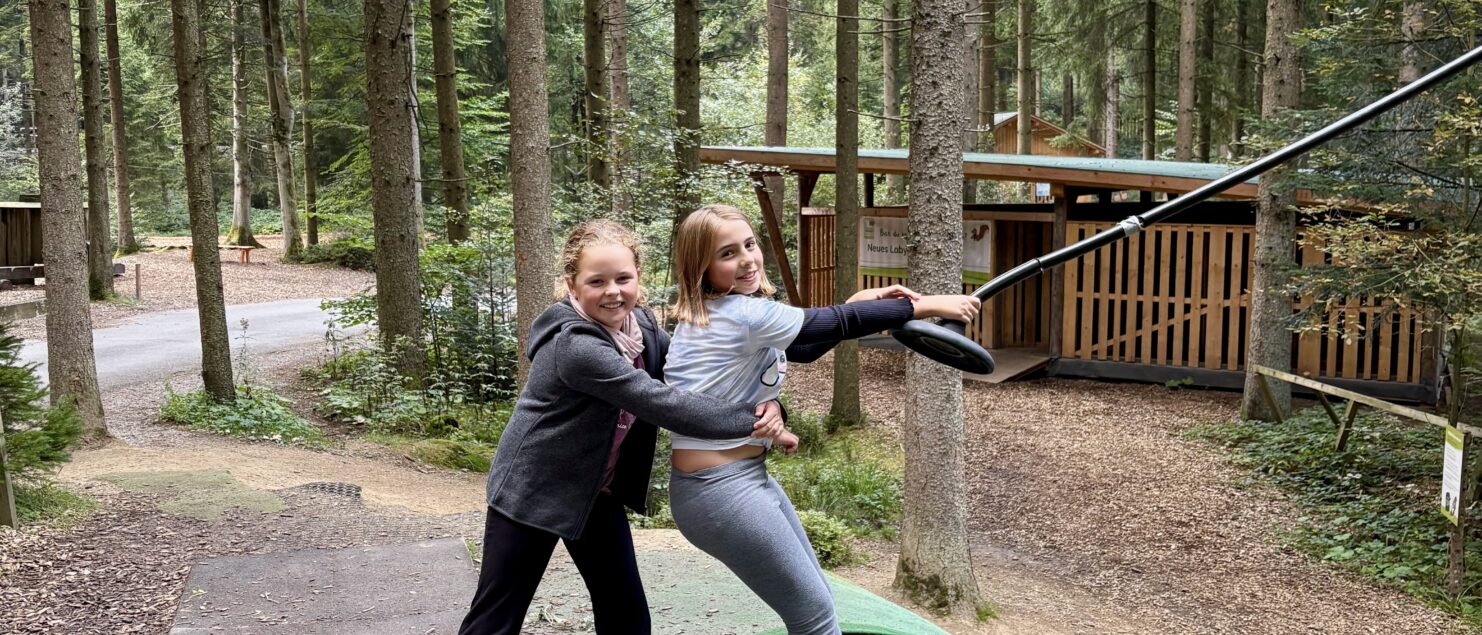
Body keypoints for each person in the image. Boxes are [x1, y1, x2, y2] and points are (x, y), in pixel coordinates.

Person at [663, 204, 982, 635]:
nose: (747, 260)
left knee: (820, 607)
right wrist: (922, 306)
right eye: (727, 253)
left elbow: (805, 346)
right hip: (719, 491)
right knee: (815, 619)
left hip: (741, 478)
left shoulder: (729, 312)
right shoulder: (740, 315)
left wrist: (856, 303)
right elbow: (833, 322)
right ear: (700, 267)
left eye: (750, 245)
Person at [460, 220, 787, 635]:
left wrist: (770, 402)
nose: (613, 291)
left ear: (638, 277)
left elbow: (690, 376)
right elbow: (660, 401)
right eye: (597, 281)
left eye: (623, 279)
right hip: (532, 490)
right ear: (572, 285)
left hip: (595, 492)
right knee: (496, 620)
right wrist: (754, 420)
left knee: (626, 616)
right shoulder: (575, 346)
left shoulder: (643, 327)